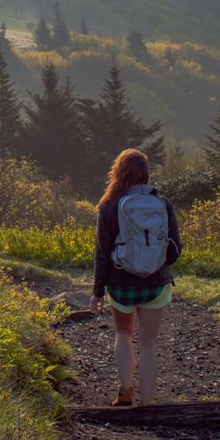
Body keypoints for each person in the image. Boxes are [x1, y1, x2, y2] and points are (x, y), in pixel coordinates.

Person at [89, 148, 181, 406]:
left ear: (117, 173)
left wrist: (97, 291)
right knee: (149, 343)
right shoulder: (163, 204)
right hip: (155, 283)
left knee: (123, 334)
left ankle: (126, 392)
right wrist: (156, 262)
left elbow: (102, 253)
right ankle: (147, 401)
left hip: (121, 284)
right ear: (146, 174)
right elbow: (175, 249)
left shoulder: (109, 206)